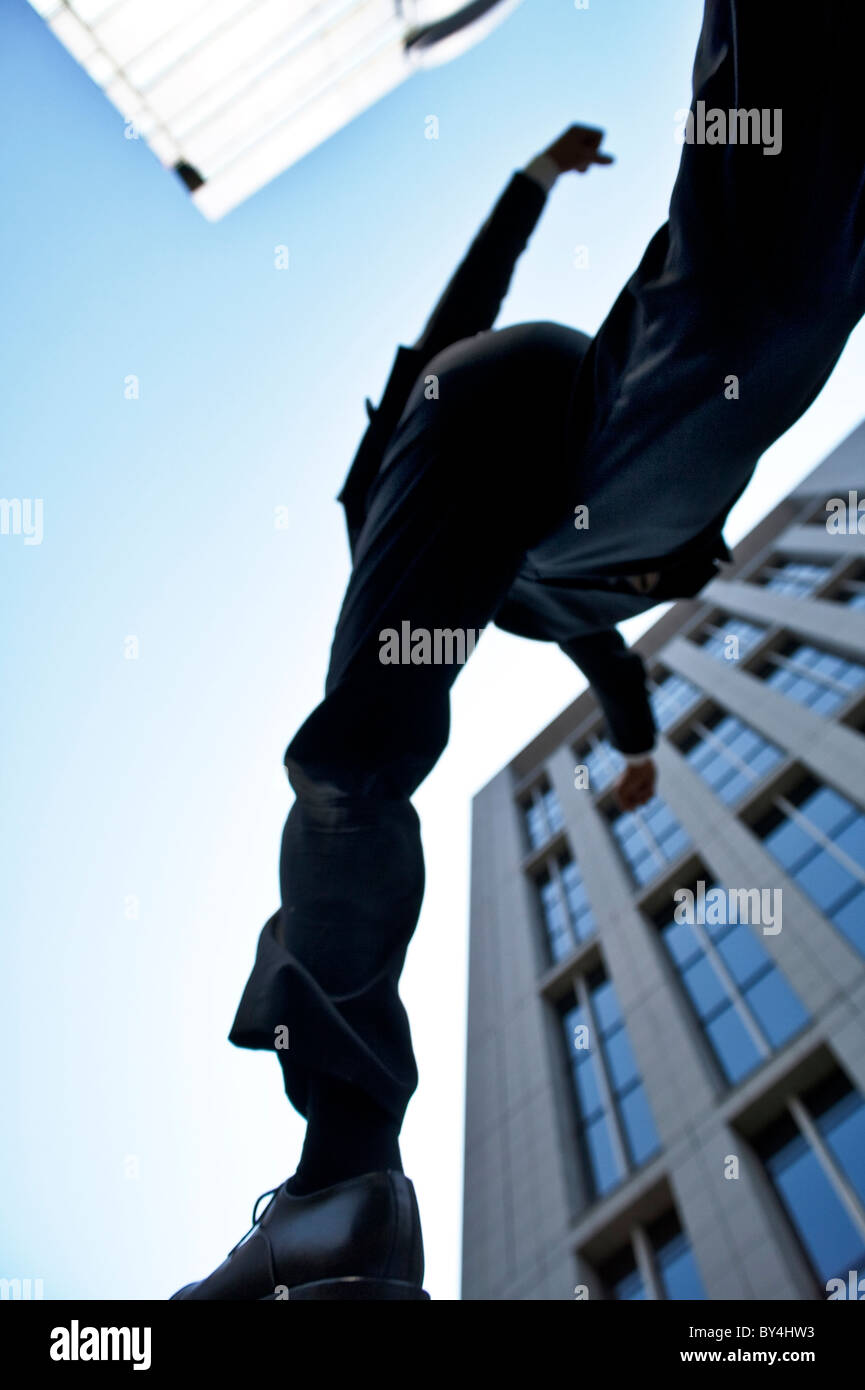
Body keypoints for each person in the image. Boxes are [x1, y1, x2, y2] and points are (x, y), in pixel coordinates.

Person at [170, 0, 865, 1300]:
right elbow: (598, 652)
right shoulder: (530, 601)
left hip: (486, 417)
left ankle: (341, 1177)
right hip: (586, 493)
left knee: (352, 767)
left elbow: (457, 314)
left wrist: (526, 185)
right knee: (763, 323)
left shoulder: (399, 500)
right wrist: (644, 740)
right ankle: (345, 1177)